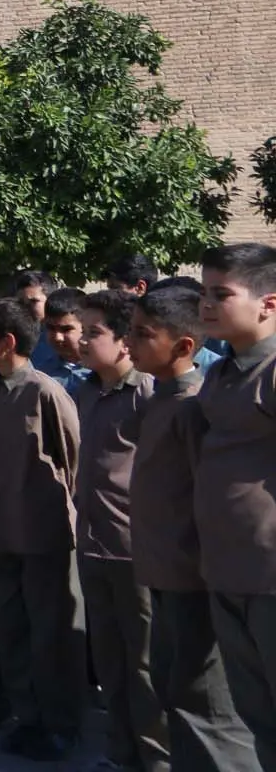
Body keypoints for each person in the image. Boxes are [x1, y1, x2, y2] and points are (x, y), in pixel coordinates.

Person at [131, 281, 259, 771]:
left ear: (184, 345)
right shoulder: (161, 399)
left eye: (144, 334)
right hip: (163, 574)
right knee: (175, 691)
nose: (130, 342)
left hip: (194, 579)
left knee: (208, 705)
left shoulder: (194, 406)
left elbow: (208, 497)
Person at [0, 297, 85, 762]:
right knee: (11, 630)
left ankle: (61, 724)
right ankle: (28, 716)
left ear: (7, 342)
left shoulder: (45, 393)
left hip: (43, 537)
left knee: (51, 634)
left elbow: (72, 462)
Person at [72, 289, 170, 771]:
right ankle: (120, 750)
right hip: (93, 545)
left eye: (93, 333)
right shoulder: (85, 392)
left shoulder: (149, 394)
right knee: (109, 660)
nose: (82, 342)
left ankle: (157, 760)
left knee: (146, 665)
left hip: (138, 552)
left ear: (124, 340)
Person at [194, 243, 276, 766]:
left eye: (221, 294)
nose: (205, 304)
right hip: (227, 568)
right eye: (204, 292)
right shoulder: (222, 373)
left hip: (271, 576)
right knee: (256, 713)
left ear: (269, 303)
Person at [41, 287, 95, 394]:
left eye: (66, 329)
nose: (58, 337)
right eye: (51, 328)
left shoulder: (102, 371)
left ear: (85, 326)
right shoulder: (43, 374)